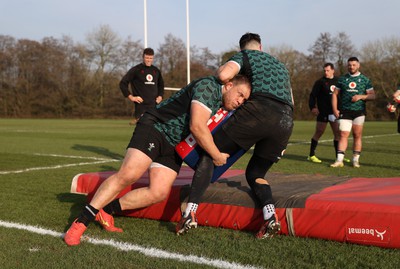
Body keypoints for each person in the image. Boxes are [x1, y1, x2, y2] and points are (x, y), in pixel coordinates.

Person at [64, 75, 251, 246]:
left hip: (174, 145)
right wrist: (217, 156)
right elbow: (196, 126)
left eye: (244, 100)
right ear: (228, 85)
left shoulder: (223, 106)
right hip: (156, 127)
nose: (240, 101)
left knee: (158, 192)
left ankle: (106, 211)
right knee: (129, 174)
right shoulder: (209, 87)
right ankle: (81, 221)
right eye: (240, 94)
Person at [175, 33, 294, 239]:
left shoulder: (246, 56)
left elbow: (222, 76)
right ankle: (271, 217)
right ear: (261, 46)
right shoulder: (281, 66)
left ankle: (189, 212)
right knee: (256, 173)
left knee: (210, 151)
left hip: (259, 111)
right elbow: (290, 99)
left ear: (243, 49)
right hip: (286, 120)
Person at [330, 57, 375, 168]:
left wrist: (361, 96)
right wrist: (335, 109)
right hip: (345, 111)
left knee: (357, 135)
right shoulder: (342, 79)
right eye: (350, 65)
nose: (351, 67)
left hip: (359, 111)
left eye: (354, 65)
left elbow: (373, 95)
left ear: (358, 65)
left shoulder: (365, 79)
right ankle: (339, 160)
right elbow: (335, 94)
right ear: (347, 66)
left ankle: (355, 160)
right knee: (343, 134)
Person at [120, 48, 164, 125]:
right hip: (141, 107)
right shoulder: (136, 70)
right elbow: (123, 83)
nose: (149, 60)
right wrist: (131, 97)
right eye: (147, 58)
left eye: (151, 58)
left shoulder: (156, 70)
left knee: (152, 132)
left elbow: (161, 85)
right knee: (142, 131)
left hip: (154, 106)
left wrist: (160, 96)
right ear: (143, 57)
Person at [307, 63, 340, 163]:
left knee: (337, 133)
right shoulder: (320, 82)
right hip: (323, 112)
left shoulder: (339, 81)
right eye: (324, 70)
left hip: (334, 112)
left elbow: (342, 96)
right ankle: (311, 155)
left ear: (333, 70)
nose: (326, 72)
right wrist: (313, 107)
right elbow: (312, 96)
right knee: (319, 132)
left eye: (328, 70)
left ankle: (338, 157)